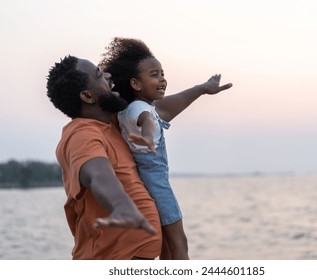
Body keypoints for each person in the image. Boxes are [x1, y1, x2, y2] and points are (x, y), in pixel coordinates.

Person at [99, 37, 233, 259]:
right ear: (135, 84)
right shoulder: (139, 109)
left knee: (169, 248)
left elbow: (167, 108)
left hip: (145, 185)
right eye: (154, 75)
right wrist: (149, 138)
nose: (162, 80)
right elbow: (147, 120)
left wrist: (202, 88)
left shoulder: (133, 108)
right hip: (157, 186)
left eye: (162, 74)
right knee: (179, 243)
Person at [46, 55, 162, 260]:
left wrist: (202, 89)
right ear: (88, 96)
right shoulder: (82, 134)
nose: (108, 75)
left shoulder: (114, 124)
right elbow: (98, 175)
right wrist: (121, 206)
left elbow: (158, 111)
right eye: (99, 74)